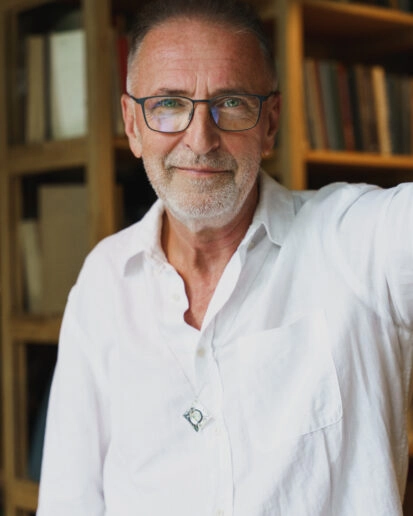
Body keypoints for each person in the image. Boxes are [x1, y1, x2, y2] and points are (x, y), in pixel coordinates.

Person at [37, 0, 413, 514]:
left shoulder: (356, 242)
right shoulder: (104, 279)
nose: (200, 139)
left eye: (231, 102)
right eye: (169, 103)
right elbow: (69, 501)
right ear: (132, 124)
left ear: (271, 123)